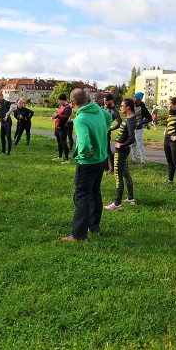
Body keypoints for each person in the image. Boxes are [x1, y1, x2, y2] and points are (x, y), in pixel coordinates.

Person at [62, 88, 112, 242]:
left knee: (82, 196)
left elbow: (83, 144)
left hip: (89, 163)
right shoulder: (96, 108)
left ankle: (78, 235)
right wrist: (100, 133)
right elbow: (109, 118)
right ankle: (93, 226)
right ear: (87, 99)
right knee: (95, 192)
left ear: (72, 103)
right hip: (101, 159)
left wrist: (84, 154)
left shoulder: (81, 118)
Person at [105, 98, 137, 210]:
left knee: (118, 176)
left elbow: (132, 138)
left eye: (122, 105)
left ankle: (117, 204)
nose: (121, 107)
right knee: (126, 174)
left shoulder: (131, 120)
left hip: (121, 152)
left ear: (128, 107)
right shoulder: (129, 119)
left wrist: (121, 145)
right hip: (123, 151)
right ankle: (130, 198)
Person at [130, 92, 152, 167]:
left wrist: (141, 122)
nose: (133, 99)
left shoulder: (143, 108)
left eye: (134, 97)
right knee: (132, 144)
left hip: (138, 129)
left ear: (138, 99)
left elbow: (150, 118)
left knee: (140, 144)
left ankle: (143, 161)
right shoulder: (132, 105)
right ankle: (133, 159)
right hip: (131, 128)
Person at [103, 94, 122, 175]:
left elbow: (120, 122)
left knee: (108, 150)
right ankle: (106, 167)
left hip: (106, 131)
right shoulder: (105, 108)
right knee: (103, 150)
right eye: (104, 101)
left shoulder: (114, 111)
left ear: (111, 100)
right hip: (102, 131)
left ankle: (113, 169)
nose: (105, 102)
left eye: (106, 101)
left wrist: (111, 129)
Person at [51, 93, 72, 163]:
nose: (59, 102)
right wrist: (54, 116)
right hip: (57, 127)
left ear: (63, 100)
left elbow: (64, 120)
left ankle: (66, 159)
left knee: (64, 144)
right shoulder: (61, 107)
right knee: (59, 143)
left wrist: (57, 116)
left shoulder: (68, 108)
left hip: (62, 128)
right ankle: (60, 157)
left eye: (59, 101)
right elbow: (59, 116)